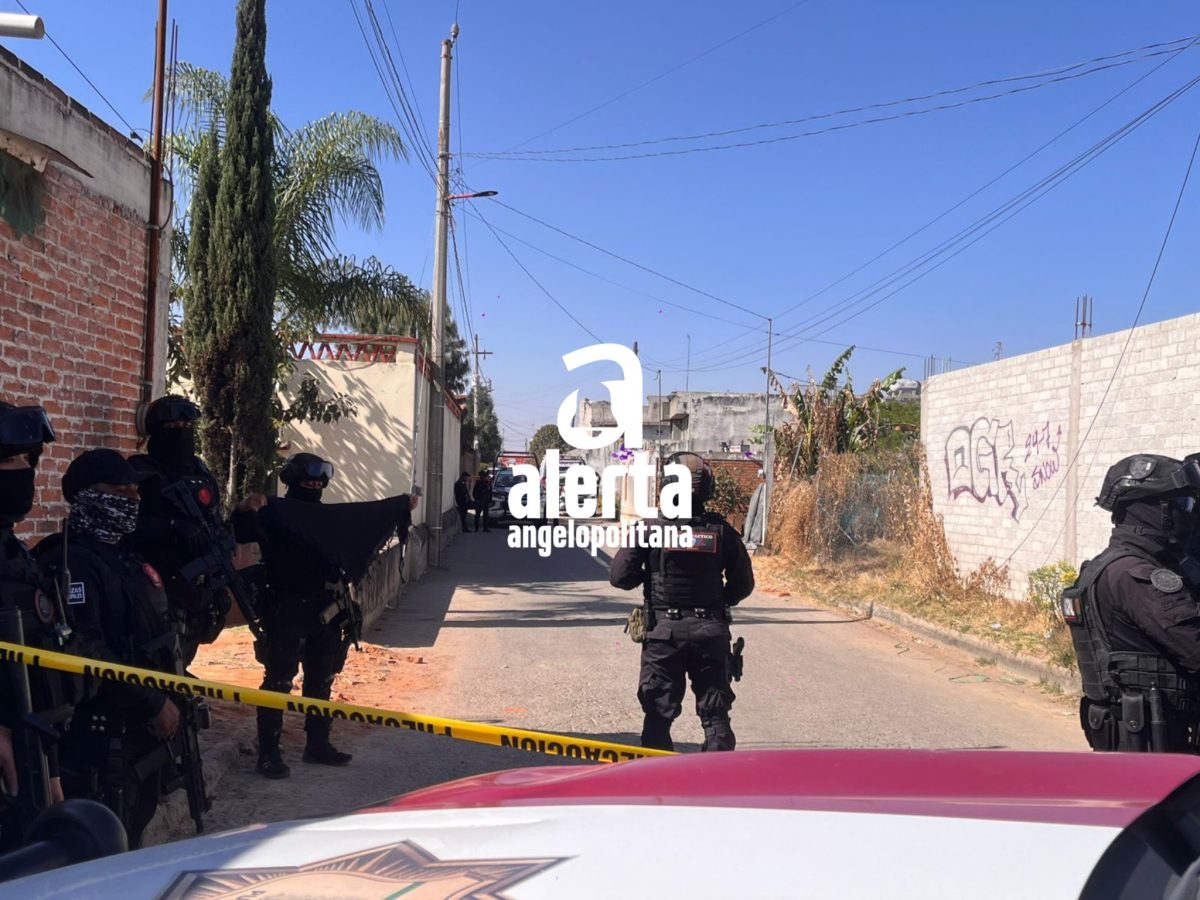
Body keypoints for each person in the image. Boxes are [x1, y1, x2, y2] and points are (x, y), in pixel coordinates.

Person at [36, 449, 185, 848]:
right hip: (103, 738)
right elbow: (86, 651)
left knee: (134, 835)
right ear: (87, 496)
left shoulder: (124, 556)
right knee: (106, 849)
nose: (132, 500)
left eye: (135, 491)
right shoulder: (71, 562)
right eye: (120, 491)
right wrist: (152, 701)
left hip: (139, 735)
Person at [609, 452, 755, 752]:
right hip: (711, 633)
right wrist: (718, 602)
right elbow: (743, 584)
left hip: (664, 635)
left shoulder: (649, 529)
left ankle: (658, 777)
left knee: (657, 717)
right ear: (707, 488)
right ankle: (716, 776)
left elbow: (620, 577)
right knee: (716, 717)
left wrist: (649, 573)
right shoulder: (722, 531)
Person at [1065, 454, 1200, 753]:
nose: (1191, 515)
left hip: (1139, 737)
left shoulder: (1108, 566)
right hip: (1157, 744)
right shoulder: (1136, 576)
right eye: (1185, 505)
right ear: (1155, 511)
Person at [128, 395, 259, 666]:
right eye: (172, 427)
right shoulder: (140, 471)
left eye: (187, 426)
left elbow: (214, 519)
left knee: (183, 658)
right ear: (155, 430)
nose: (182, 432)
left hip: (196, 593)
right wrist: (172, 528)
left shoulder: (200, 471)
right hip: (156, 587)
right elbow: (126, 525)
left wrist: (230, 528)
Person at [0, 401, 75, 849]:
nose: (25, 471)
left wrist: (52, 768)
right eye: (10, 459)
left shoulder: (16, 553)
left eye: (30, 459)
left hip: (32, 750)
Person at [743, 468, 766, 550]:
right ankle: (752, 538)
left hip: (754, 537)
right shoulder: (761, 489)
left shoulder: (763, 489)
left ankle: (753, 538)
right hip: (754, 536)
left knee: (757, 517)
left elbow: (752, 513)